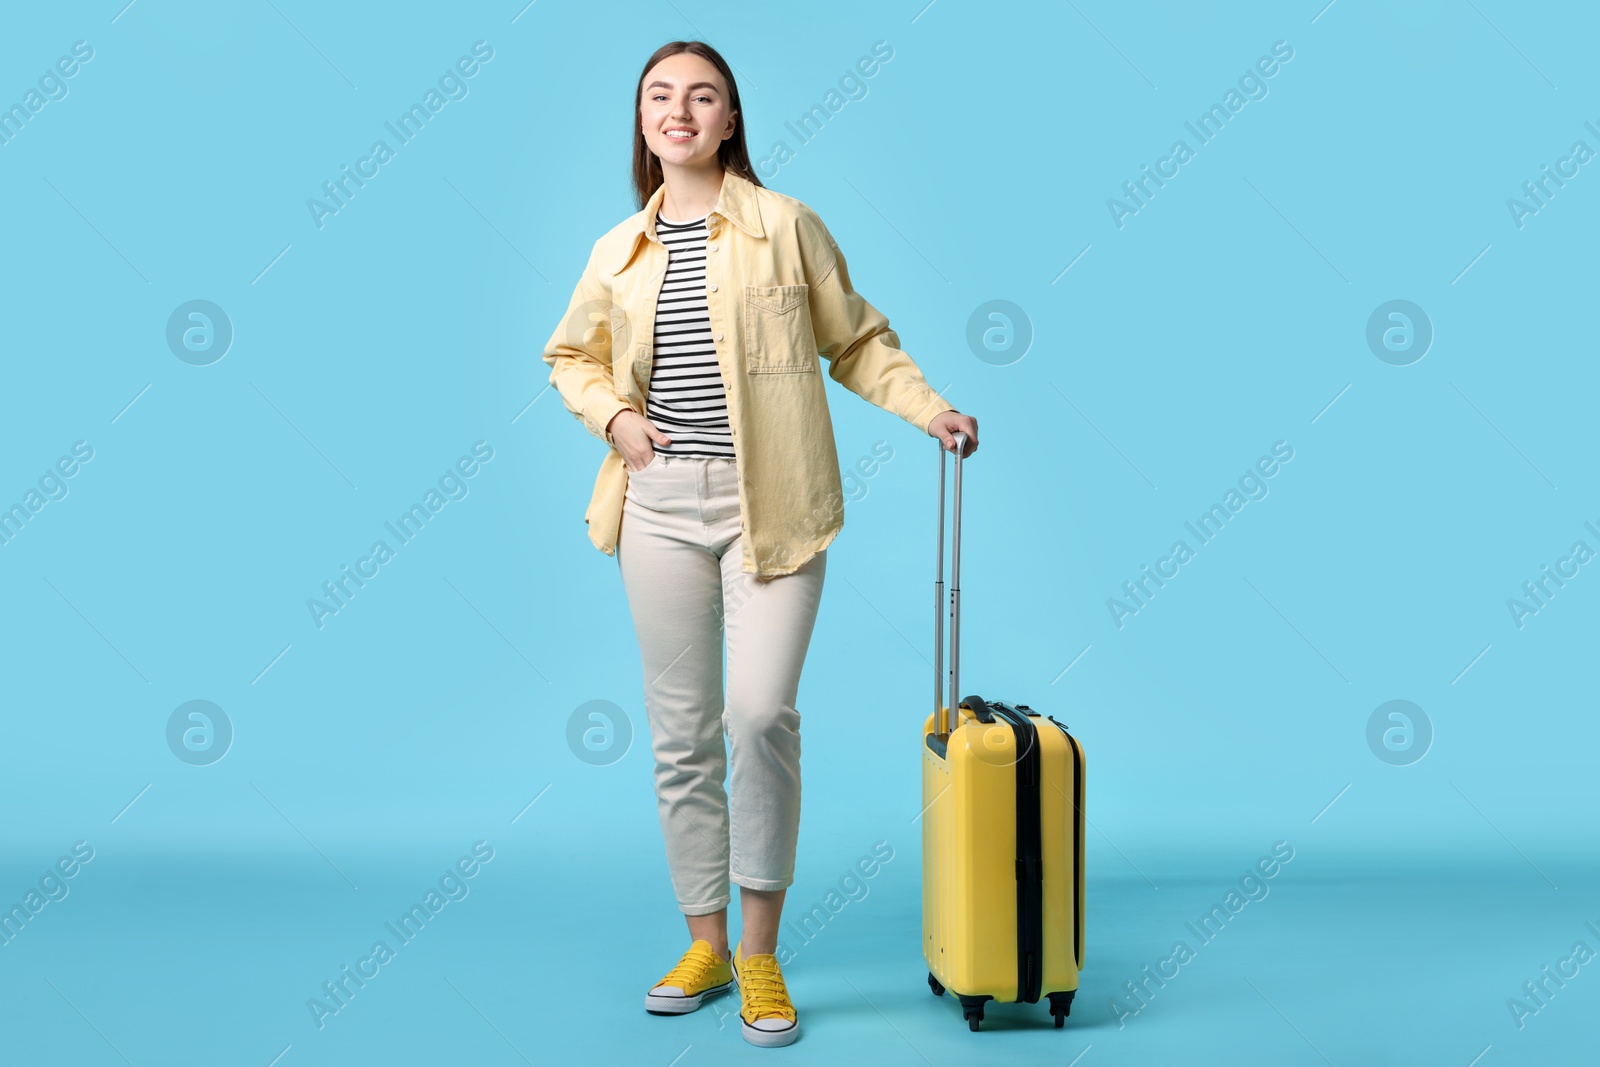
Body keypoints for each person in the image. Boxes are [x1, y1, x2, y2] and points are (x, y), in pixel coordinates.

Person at [541, 39, 979, 1048]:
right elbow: (569, 357)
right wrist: (614, 419)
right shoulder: (615, 249)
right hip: (655, 505)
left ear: (731, 118)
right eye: (660, 96)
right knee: (680, 732)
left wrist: (930, 409)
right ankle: (702, 941)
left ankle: (759, 947)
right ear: (643, 122)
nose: (679, 109)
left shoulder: (785, 227)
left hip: (769, 507)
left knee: (759, 712)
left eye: (702, 95)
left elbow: (858, 339)